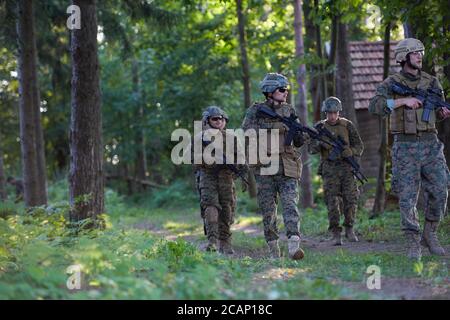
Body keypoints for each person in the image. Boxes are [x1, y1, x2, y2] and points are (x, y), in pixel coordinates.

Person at [368, 38, 450, 260]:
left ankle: (430, 233)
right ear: (403, 57)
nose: (420, 56)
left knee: (441, 188)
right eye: (415, 53)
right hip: (405, 145)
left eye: (421, 52)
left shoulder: (432, 83)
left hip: (431, 144)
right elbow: (374, 107)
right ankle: (413, 241)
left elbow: (435, 116)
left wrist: (441, 114)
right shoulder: (390, 83)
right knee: (407, 196)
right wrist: (402, 101)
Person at [241, 72, 305, 260]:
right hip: (265, 167)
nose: (286, 93)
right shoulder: (255, 110)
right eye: (282, 89)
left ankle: (294, 245)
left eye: (286, 89)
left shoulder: (290, 111)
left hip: (287, 165)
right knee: (268, 210)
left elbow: (299, 141)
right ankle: (273, 249)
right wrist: (275, 128)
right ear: (270, 91)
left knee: (290, 205)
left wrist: (301, 133)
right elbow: (247, 131)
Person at [308, 97, 364, 245]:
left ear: (339, 112)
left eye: (334, 113)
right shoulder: (319, 127)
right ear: (325, 113)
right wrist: (319, 142)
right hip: (329, 169)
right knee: (332, 202)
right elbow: (311, 149)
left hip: (347, 167)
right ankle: (335, 233)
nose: (332, 116)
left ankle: (349, 229)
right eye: (329, 113)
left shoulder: (347, 125)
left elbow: (359, 146)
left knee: (351, 200)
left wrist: (350, 152)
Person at [192, 106, 246, 255]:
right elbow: (194, 160)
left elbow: (240, 159)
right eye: (214, 119)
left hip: (227, 178)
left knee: (227, 209)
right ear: (207, 121)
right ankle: (212, 241)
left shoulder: (231, 138)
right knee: (210, 206)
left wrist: (239, 169)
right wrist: (213, 161)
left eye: (221, 119)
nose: (218, 121)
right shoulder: (200, 138)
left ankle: (226, 242)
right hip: (208, 176)